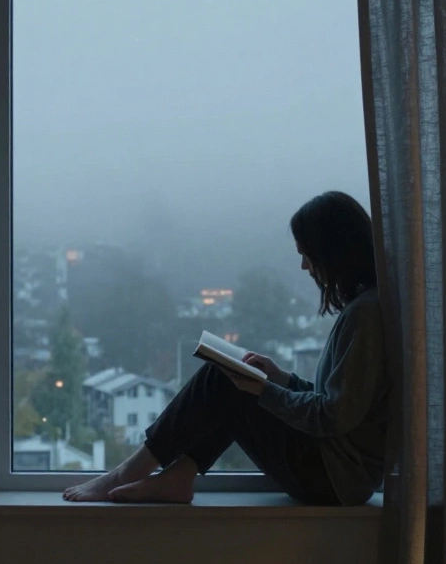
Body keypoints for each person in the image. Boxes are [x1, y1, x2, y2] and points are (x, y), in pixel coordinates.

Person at [63, 191, 390, 506]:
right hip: (338, 474)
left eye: (307, 254)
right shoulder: (365, 309)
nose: (305, 266)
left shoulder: (365, 315)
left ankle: (128, 473)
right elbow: (340, 402)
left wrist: (265, 391)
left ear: (331, 251)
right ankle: (180, 475)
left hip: (334, 478)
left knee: (223, 381)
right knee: (233, 377)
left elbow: (334, 416)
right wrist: (280, 378)